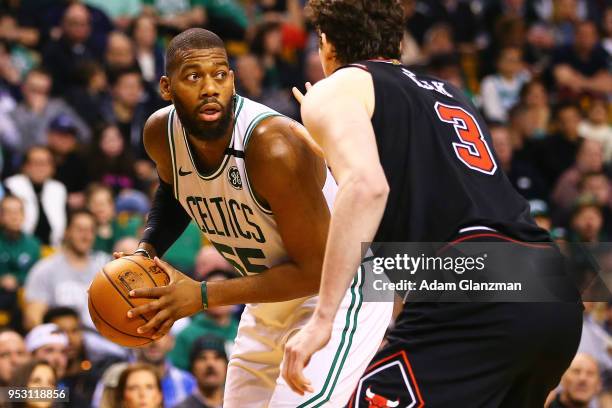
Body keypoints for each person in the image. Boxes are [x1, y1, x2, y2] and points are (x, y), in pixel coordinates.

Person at [281, 1, 583, 407]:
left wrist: (323, 319)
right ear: (397, 40)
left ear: (327, 44)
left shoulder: (336, 89)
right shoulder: (451, 94)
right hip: (550, 287)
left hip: (477, 290)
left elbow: (369, 188)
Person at [120, 28, 392, 407]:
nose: (210, 88)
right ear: (167, 87)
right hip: (270, 295)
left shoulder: (272, 146)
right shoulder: (159, 134)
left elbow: (314, 270)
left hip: (339, 291)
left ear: (232, 79)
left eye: (220, 74)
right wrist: (146, 249)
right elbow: (175, 189)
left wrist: (200, 295)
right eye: (194, 77)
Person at [23, 209, 110, 330]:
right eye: (80, 230)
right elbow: (33, 318)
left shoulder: (107, 266)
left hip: (103, 339)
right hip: (63, 340)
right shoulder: (45, 269)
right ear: (66, 232)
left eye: (91, 231)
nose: (86, 236)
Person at [4, 146, 67, 247]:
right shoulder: (11, 185)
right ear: (25, 166)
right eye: (35, 163)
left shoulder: (58, 189)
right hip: (19, 246)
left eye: (45, 163)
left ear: (52, 167)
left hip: (53, 248)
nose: (40, 168)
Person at [174, 335, 227, 408]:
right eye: (202, 358)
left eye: (217, 357)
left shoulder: (240, 404)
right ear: (192, 368)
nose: (210, 364)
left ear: (227, 367)